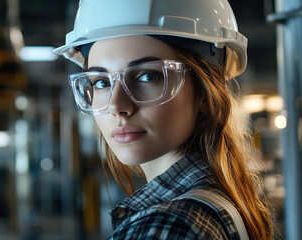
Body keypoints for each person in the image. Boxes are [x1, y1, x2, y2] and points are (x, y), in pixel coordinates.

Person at [53, 0, 273, 239]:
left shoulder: (166, 225)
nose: (117, 106)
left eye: (148, 76)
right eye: (102, 82)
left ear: (205, 94)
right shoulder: (217, 203)